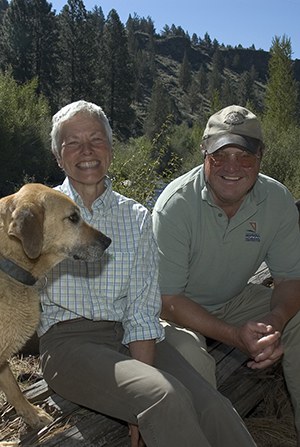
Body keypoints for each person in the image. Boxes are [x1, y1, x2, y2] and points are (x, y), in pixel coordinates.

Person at [37, 100, 256, 447]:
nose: (87, 151)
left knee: (212, 406)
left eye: (96, 139)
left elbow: (141, 308)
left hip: (131, 335)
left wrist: (141, 397)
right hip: (69, 343)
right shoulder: (40, 211)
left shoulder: (137, 217)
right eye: (73, 142)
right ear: (57, 154)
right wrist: (145, 400)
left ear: (110, 147)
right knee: (164, 395)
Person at [152, 104, 300, 445]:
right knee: (194, 362)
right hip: (173, 312)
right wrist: (236, 336)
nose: (232, 167)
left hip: (233, 298)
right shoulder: (176, 204)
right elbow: (166, 299)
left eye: (245, 155)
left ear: (261, 156)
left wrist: (275, 321)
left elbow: (291, 279)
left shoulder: (277, 200)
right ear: (205, 153)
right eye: (221, 154)